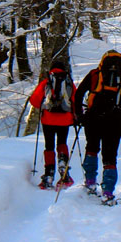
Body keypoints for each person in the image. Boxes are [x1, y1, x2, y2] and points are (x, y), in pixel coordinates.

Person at [74, 50, 121, 204]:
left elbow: (78, 95)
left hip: (92, 120)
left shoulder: (94, 75)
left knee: (91, 148)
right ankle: (108, 191)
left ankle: (90, 181)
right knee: (110, 156)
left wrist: (79, 114)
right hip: (114, 122)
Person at [29, 58, 79, 189]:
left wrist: (42, 105)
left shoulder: (46, 82)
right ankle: (64, 167)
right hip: (65, 119)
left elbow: (34, 100)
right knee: (62, 142)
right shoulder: (69, 82)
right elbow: (76, 100)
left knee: (49, 145)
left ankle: (49, 174)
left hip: (48, 119)